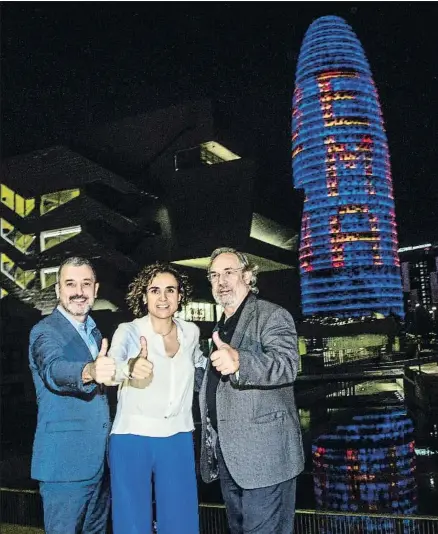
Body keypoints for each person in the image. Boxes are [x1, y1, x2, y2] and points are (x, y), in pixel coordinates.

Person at [199, 247, 304, 534]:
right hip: (231, 460)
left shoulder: (272, 315)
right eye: (214, 275)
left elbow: (287, 365)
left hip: (267, 460)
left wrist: (240, 361)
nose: (221, 281)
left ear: (247, 275)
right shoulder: (220, 326)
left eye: (229, 272)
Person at [108, 262, 204, 534]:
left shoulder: (191, 332)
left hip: (178, 435)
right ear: (143, 296)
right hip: (132, 436)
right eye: (155, 290)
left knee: (182, 522)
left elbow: (198, 363)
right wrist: (129, 367)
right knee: (132, 523)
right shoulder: (128, 331)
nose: (163, 298)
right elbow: (112, 366)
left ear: (180, 296)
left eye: (170, 290)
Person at [29, 256, 116, 534]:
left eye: (86, 284)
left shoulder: (93, 331)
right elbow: (53, 369)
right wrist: (89, 370)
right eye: (70, 284)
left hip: (99, 465)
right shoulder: (45, 332)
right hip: (65, 467)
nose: (79, 291)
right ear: (58, 291)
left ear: (96, 289)